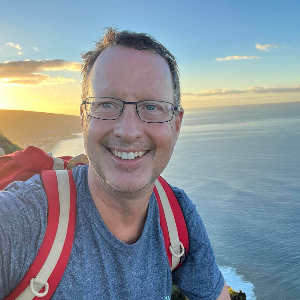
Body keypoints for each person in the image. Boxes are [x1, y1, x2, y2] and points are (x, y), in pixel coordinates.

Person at [0, 28, 230, 300]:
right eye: (107, 104)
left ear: (176, 125)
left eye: (152, 106)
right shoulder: (22, 219)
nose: (129, 130)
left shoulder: (178, 215)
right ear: (85, 118)